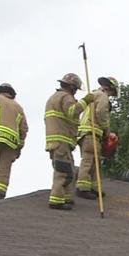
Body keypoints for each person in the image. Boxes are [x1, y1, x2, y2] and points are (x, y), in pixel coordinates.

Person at [44, 73, 96, 210]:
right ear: (72, 87)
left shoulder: (54, 98)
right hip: (61, 140)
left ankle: (66, 198)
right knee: (63, 171)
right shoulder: (65, 97)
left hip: (56, 141)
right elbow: (73, 111)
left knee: (69, 171)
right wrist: (85, 101)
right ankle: (56, 200)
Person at [76, 76, 119, 200]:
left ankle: (94, 188)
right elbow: (101, 113)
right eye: (112, 93)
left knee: (95, 162)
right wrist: (107, 131)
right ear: (110, 88)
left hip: (85, 133)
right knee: (88, 160)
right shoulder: (102, 96)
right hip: (92, 133)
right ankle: (82, 188)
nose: (111, 96)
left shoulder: (92, 96)